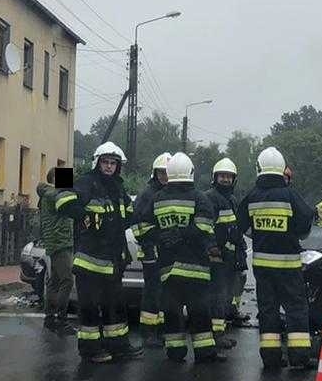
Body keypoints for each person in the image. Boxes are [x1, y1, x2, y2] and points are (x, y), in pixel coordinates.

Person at [138, 152, 224, 363]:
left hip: (168, 269)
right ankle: (205, 352)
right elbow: (205, 224)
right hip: (196, 267)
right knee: (199, 311)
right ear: (191, 172)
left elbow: (141, 227)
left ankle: (175, 351)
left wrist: (162, 236)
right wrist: (184, 234)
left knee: (171, 311)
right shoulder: (199, 197)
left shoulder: (157, 198)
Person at [237, 145, 317, 370]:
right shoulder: (290, 195)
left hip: (262, 267)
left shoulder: (252, 196)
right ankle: (299, 357)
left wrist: (259, 234)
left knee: (268, 310)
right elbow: (305, 224)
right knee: (296, 309)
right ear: (282, 168)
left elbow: (241, 225)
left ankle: (271, 357)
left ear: (259, 168)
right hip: (288, 265)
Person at [63, 141, 141, 362]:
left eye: (113, 163)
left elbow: (130, 214)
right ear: (97, 162)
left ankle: (118, 346)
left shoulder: (118, 187)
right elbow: (63, 199)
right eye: (105, 162)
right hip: (90, 260)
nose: (109, 166)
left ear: (118, 166)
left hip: (113, 259)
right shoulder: (86, 182)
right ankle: (90, 350)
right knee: (89, 307)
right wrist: (83, 215)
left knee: (115, 306)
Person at [130, 152, 172, 345]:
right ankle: (148, 332)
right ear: (155, 173)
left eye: (168, 172)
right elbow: (137, 225)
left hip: (166, 251)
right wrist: (156, 237)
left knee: (164, 291)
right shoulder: (148, 194)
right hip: (151, 250)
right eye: (161, 172)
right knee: (152, 291)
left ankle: (160, 329)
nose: (165, 176)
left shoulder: (171, 193)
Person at [35, 166, 78, 335]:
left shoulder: (49, 194)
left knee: (54, 281)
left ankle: (50, 318)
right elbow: (70, 201)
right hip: (60, 242)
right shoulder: (53, 195)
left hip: (56, 241)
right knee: (67, 280)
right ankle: (61, 319)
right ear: (55, 179)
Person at [207, 157, 244, 345]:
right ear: (215, 177)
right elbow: (207, 226)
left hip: (229, 256)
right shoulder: (210, 198)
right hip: (217, 256)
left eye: (229, 177)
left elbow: (235, 227)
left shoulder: (232, 199)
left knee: (227, 293)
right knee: (218, 295)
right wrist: (213, 248)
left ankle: (222, 329)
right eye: (222, 176)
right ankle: (217, 335)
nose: (226, 179)